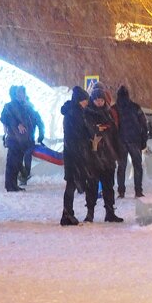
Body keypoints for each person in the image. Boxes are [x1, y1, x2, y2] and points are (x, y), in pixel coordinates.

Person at [83, 83, 123, 223]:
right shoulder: (88, 113)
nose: (99, 102)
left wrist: (117, 153)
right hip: (94, 157)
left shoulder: (109, 113)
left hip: (108, 156)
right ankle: (90, 213)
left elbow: (114, 133)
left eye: (101, 100)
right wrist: (100, 129)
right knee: (92, 186)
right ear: (93, 100)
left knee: (108, 186)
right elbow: (92, 130)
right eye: (97, 100)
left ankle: (110, 212)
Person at [59, 86, 92, 226]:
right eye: (85, 100)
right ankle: (67, 214)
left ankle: (67, 213)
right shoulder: (76, 113)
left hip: (72, 152)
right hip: (75, 153)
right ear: (79, 100)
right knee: (72, 184)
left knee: (71, 183)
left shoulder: (72, 112)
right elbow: (81, 133)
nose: (86, 103)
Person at [114, 85, 149, 198]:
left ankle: (121, 191)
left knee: (121, 167)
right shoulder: (135, 107)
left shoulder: (114, 109)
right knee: (137, 166)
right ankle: (138, 191)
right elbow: (144, 124)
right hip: (135, 141)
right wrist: (144, 139)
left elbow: (112, 126)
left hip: (120, 142)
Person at [0, 85, 32, 192]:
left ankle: (13, 185)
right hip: (14, 139)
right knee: (12, 163)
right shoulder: (9, 106)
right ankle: (9, 185)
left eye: (24, 93)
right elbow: (4, 119)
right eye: (21, 93)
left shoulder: (23, 106)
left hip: (21, 140)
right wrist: (17, 124)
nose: (23, 95)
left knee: (17, 162)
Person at [18, 88, 45, 187]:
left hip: (26, 139)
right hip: (25, 139)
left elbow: (40, 124)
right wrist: (41, 136)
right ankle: (23, 175)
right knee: (25, 157)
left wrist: (41, 136)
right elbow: (40, 124)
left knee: (25, 157)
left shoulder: (30, 112)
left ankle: (24, 176)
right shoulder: (27, 112)